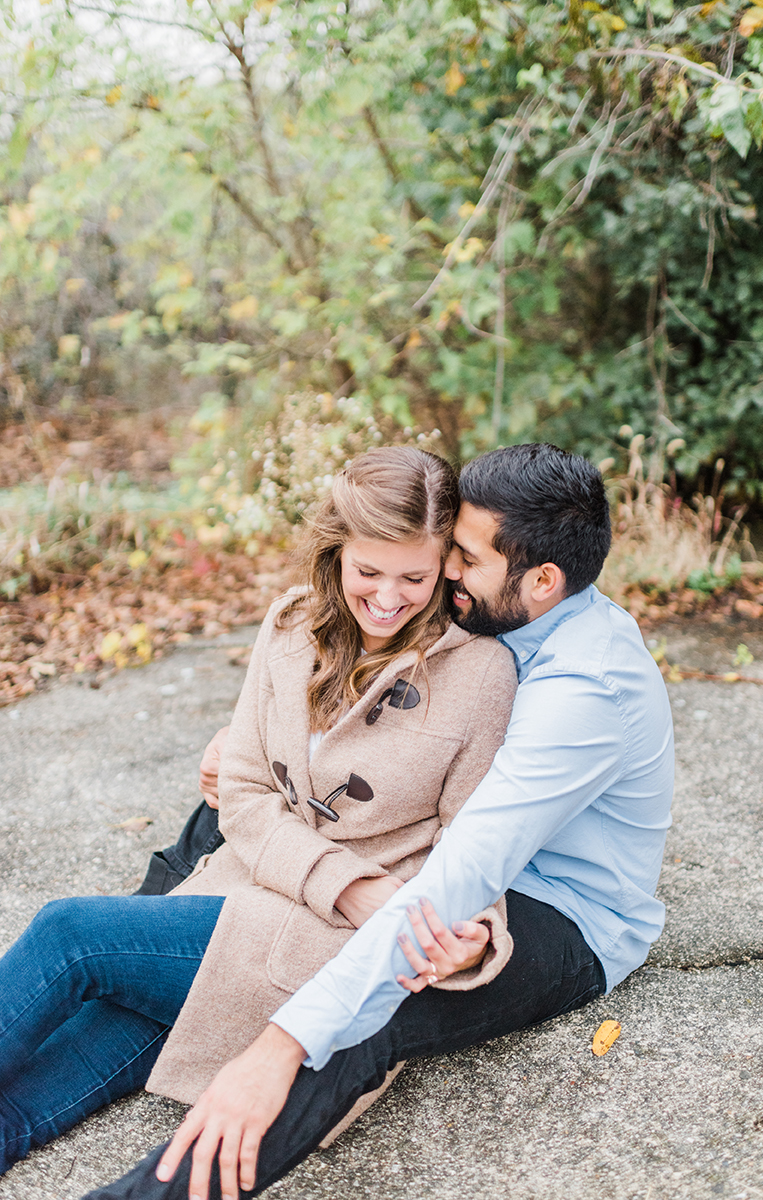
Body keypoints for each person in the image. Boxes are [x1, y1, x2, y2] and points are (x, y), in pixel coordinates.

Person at [83, 441, 675, 1200]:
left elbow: (465, 873)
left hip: (556, 911)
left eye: (462, 557)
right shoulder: (519, 614)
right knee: (224, 812)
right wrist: (265, 749)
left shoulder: (584, 694)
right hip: (453, 846)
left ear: (542, 579)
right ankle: (128, 969)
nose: (445, 573)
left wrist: (279, 1045)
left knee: (378, 1008)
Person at [0, 446, 522, 1177]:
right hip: (234, 900)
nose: (387, 597)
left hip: (319, 944)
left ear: (445, 568)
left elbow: (482, 846)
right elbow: (242, 790)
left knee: (72, 937)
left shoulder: (478, 671)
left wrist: (472, 938)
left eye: (415, 575)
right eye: (367, 570)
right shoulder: (288, 627)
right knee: (28, 1098)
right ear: (336, 551)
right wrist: (343, 879)